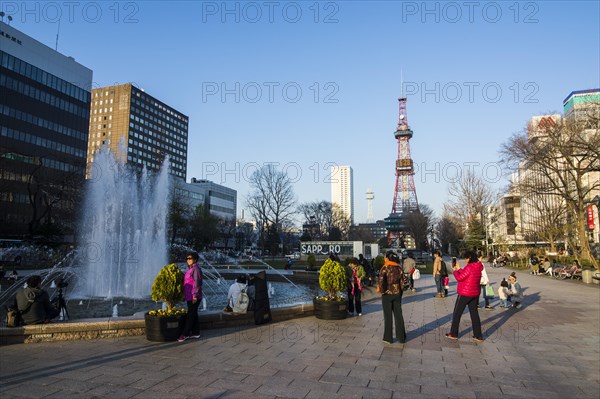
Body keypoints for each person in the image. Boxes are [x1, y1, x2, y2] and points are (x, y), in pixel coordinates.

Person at [446, 251, 484, 343]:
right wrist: (459, 269)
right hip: (474, 294)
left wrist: (455, 271)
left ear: (469, 258)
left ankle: (454, 333)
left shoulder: (469, 267)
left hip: (465, 293)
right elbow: (466, 275)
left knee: (457, 313)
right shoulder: (478, 267)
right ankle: (478, 335)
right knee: (474, 314)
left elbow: (459, 278)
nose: (466, 260)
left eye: (466, 258)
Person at [377, 250, 406, 344]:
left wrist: (382, 291)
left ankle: (388, 338)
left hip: (387, 294)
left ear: (387, 258)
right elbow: (403, 282)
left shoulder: (385, 268)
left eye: (385, 257)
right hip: (397, 293)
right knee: (399, 315)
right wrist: (400, 292)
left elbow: (381, 281)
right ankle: (401, 337)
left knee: (388, 316)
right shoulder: (399, 268)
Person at [178, 251, 203, 342]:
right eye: (187, 258)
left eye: (190, 258)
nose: (188, 260)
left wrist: (195, 295)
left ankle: (185, 334)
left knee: (190, 315)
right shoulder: (190, 269)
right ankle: (196, 333)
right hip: (189, 296)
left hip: (194, 296)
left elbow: (197, 282)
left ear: (195, 260)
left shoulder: (196, 269)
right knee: (193, 313)